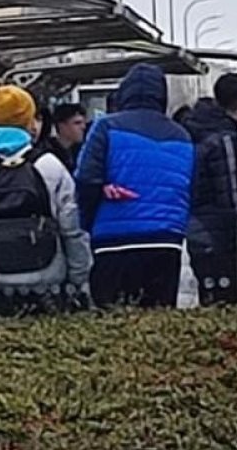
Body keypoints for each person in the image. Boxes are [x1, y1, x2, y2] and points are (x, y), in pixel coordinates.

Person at [0, 86, 92, 315]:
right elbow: (72, 227)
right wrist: (78, 275)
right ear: (30, 122)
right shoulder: (49, 165)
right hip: (49, 277)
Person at [75, 63, 195, 308]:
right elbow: (190, 186)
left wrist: (88, 221)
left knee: (113, 321)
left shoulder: (106, 126)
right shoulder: (182, 135)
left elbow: (87, 178)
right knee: (159, 322)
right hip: (166, 240)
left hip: (114, 239)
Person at [183, 73, 237, 306]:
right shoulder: (223, 137)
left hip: (194, 226)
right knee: (227, 298)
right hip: (218, 232)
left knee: (209, 297)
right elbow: (230, 191)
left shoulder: (193, 129)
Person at [45, 103, 87, 172]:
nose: (83, 127)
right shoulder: (48, 154)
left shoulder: (82, 151)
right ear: (61, 125)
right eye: (77, 123)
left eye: (84, 123)